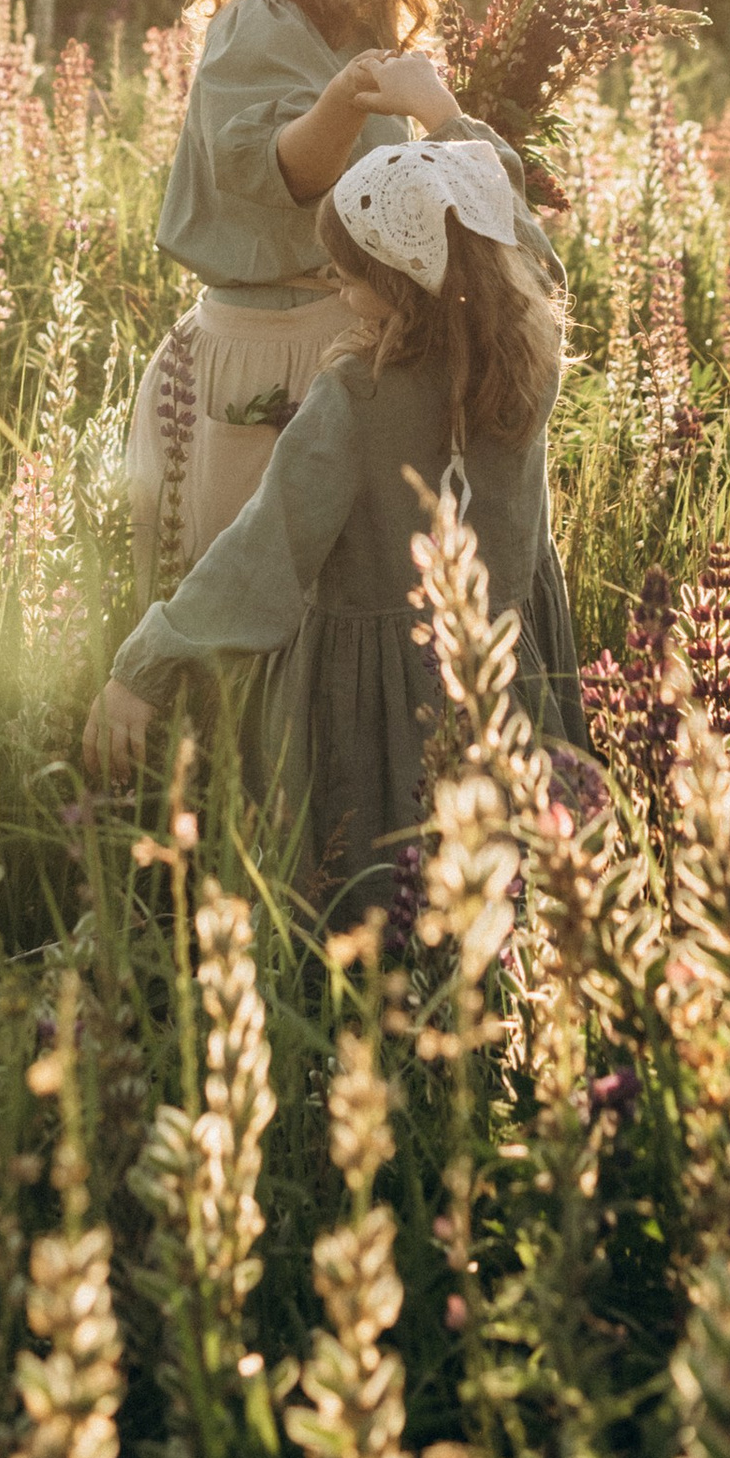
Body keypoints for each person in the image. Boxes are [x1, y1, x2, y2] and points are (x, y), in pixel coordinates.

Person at [84, 135, 590, 918]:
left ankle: (359, 1014)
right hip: (499, 675)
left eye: (349, 277)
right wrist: (446, 120)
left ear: (399, 286)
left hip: (379, 704)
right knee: (505, 874)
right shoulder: (527, 361)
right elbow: (525, 244)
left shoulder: (356, 397)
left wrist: (147, 661)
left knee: (376, 883)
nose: (338, 288)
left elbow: (267, 550)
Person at [127, 0, 465, 598]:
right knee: (256, 632)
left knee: (346, 636)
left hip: (362, 356)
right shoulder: (258, 20)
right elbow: (278, 167)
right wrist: (348, 99)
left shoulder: (379, 26)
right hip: (267, 362)